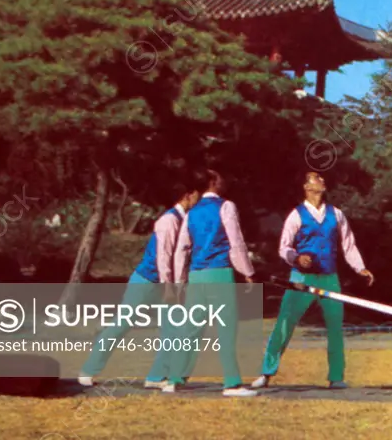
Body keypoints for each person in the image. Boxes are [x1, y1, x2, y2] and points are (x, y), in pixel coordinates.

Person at [78, 171, 206, 388]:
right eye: (197, 195)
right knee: (123, 324)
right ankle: (89, 369)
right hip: (147, 281)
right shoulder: (169, 221)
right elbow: (163, 257)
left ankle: (156, 376)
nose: (199, 200)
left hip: (167, 283)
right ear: (188, 195)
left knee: (172, 329)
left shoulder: (185, 221)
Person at [251, 171, 374, 390]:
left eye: (322, 179)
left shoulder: (336, 214)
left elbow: (348, 244)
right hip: (301, 278)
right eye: (317, 179)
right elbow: (284, 247)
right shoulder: (296, 215)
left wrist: (360, 268)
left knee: (335, 327)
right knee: (284, 324)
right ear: (307, 187)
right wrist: (296, 258)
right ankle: (266, 372)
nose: (323, 181)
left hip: (329, 277)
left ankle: (336, 377)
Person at [163, 169, 258, 397]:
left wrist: (179, 280)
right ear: (214, 182)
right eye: (220, 177)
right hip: (219, 273)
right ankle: (231, 382)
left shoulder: (191, 213)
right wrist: (248, 271)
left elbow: (182, 249)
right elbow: (236, 242)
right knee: (226, 330)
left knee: (190, 331)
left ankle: (175, 379)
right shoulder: (226, 206)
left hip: (197, 275)